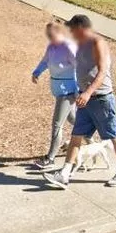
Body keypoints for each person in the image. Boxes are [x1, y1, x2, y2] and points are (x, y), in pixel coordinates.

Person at [44, 14, 116, 188]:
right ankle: (65, 173)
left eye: (72, 29)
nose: (70, 33)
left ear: (81, 28)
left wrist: (88, 92)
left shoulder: (98, 43)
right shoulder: (79, 45)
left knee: (113, 135)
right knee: (76, 136)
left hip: (101, 99)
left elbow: (102, 71)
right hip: (85, 98)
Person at [31, 21, 79, 169]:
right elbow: (46, 61)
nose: (50, 38)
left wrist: (78, 90)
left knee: (57, 124)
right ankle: (91, 142)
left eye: (52, 35)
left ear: (60, 33)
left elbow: (78, 67)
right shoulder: (51, 47)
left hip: (68, 91)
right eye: (48, 35)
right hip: (57, 89)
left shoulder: (69, 47)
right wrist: (37, 71)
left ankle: (50, 158)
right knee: (74, 120)